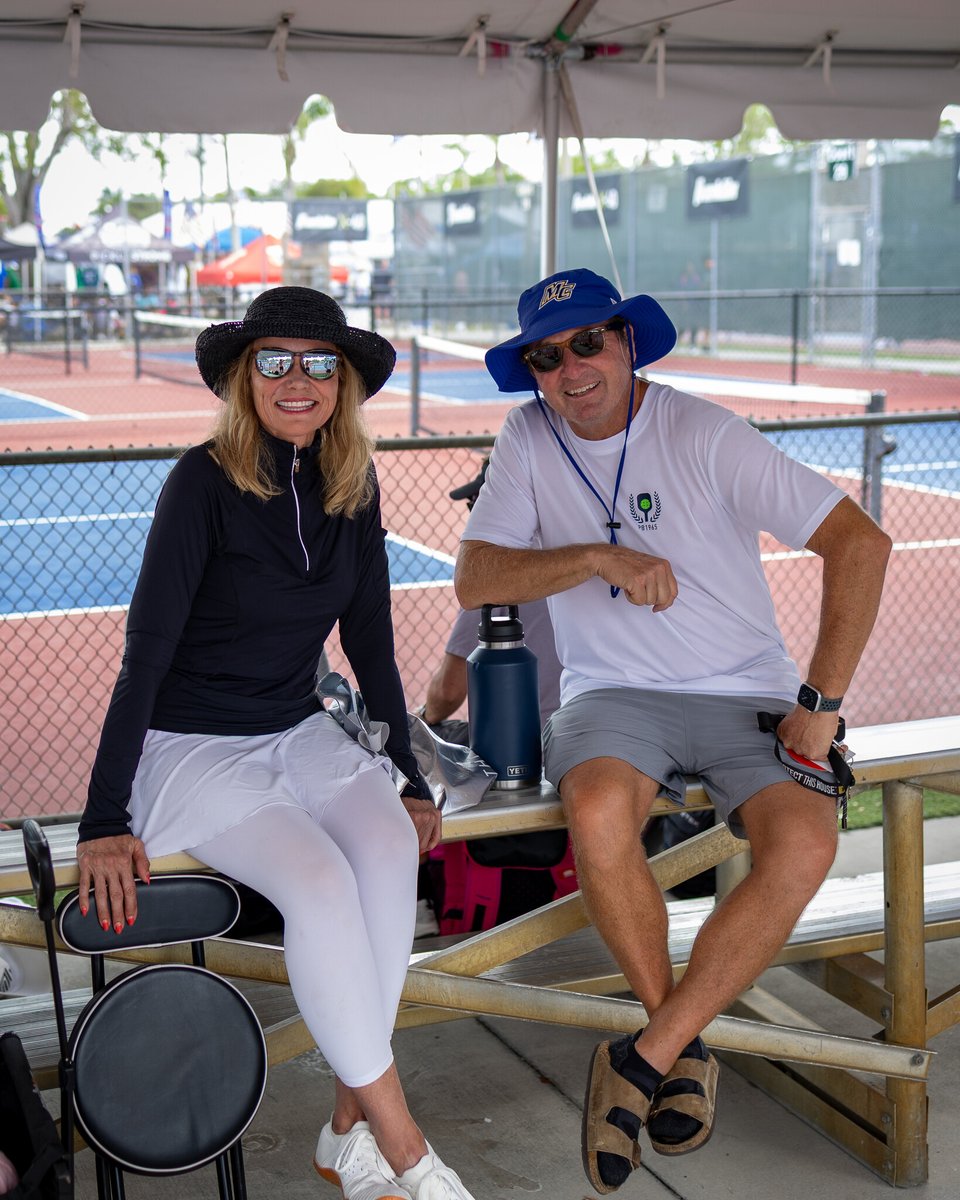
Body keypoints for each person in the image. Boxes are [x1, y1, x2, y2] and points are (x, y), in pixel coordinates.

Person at [455, 268, 891, 1194]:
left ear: (625, 341)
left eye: (587, 342)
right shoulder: (527, 438)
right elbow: (475, 579)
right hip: (614, 694)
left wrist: (821, 698)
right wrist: (599, 556)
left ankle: (642, 1058)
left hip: (747, 692)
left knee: (805, 845)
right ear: (530, 370)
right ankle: (674, 1051)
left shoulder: (701, 430)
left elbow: (861, 542)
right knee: (600, 808)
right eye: (546, 354)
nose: (570, 368)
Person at [75, 286, 477, 1200]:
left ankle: (345, 1129)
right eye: (276, 361)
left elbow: (369, 639)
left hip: (297, 728)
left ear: (344, 384)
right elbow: (147, 652)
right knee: (321, 883)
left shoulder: (354, 484)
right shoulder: (201, 483)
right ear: (242, 377)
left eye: (321, 364)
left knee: (385, 846)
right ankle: (409, 1151)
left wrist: (410, 776)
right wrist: (104, 813)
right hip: (194, 745)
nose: (299, 381)